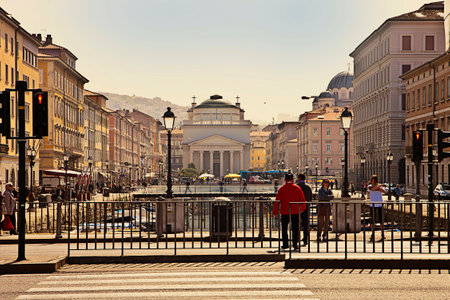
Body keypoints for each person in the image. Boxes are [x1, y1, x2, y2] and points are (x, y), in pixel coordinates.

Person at [273, 173, 306, 250]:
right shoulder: (297, 188)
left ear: (285, 179)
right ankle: (295, 244)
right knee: (295, 228)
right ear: (293, 179)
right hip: (295, 211)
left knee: (284, 229)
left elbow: (277, 201)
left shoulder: (281, 189)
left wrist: (275, 212)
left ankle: (285, 244)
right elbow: (302, 200)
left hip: (284, 211)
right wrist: (302, 209)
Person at [368, 175, 387, 242]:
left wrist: (378, 187)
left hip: (379, 204)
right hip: (372, 204)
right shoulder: (370, 186)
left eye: (375, 181)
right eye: (373, 181)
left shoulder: (379, 186)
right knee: (372, 220)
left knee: (381, 219)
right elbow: (372, 188)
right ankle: (372, 233)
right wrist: (379, 186)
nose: (374, 182)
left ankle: (382, 234)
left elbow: (384, 191)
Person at [296, 173, 312, 246]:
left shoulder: (297, 187)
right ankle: (305, 239)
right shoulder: (308, 187)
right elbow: (310, 198)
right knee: (305, 224)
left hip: (297, 207)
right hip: (306, 207)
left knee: (296, 224)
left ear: (299, 178)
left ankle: (296, 238)